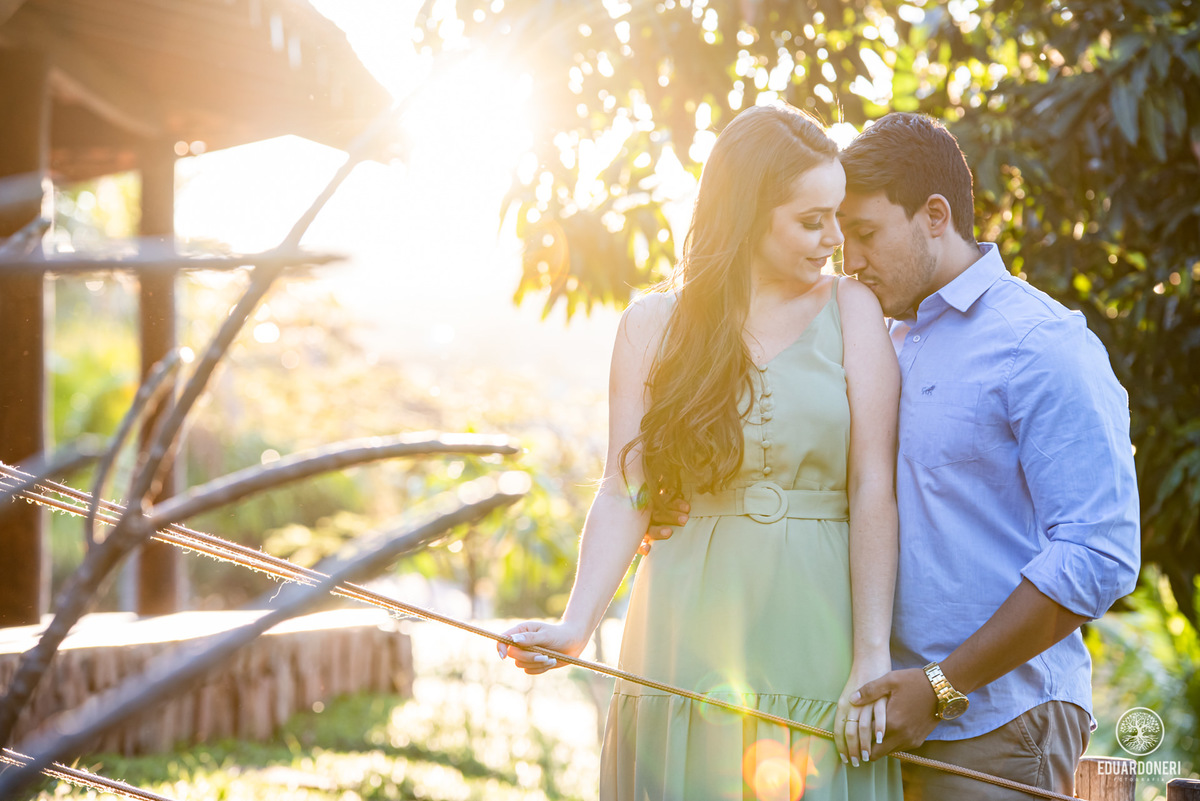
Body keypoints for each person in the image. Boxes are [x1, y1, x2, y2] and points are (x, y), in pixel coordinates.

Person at [648, 112, 1141, 800]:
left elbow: (1100, 553)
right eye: (839, 233)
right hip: (868, 718)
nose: (848, 257)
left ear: (934, 216)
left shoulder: (1042, 345)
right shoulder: (872, 331)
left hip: (994, 725)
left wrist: (942, 685)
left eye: (867, 233)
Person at [499, 103, 904, 800]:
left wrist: (870, 652)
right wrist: (576, 623)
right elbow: (625, 488)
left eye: (837, 216)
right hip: (685, 628)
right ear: (749, 216)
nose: (835, 240)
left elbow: (874, 484)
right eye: (813, 221)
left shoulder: (854, 309)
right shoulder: (653, 325)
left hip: (818, 625)